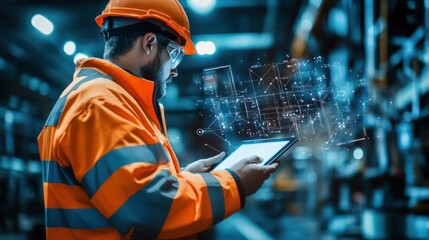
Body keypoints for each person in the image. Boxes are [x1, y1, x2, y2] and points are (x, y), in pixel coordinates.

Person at [37, 0, 279, 239]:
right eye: (174, 55)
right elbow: (147, 210)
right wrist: (233, 184)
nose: (174, 70)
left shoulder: (111, 100)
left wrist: (183, 177)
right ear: (149, 43)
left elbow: (128, 190)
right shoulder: (101, 103)